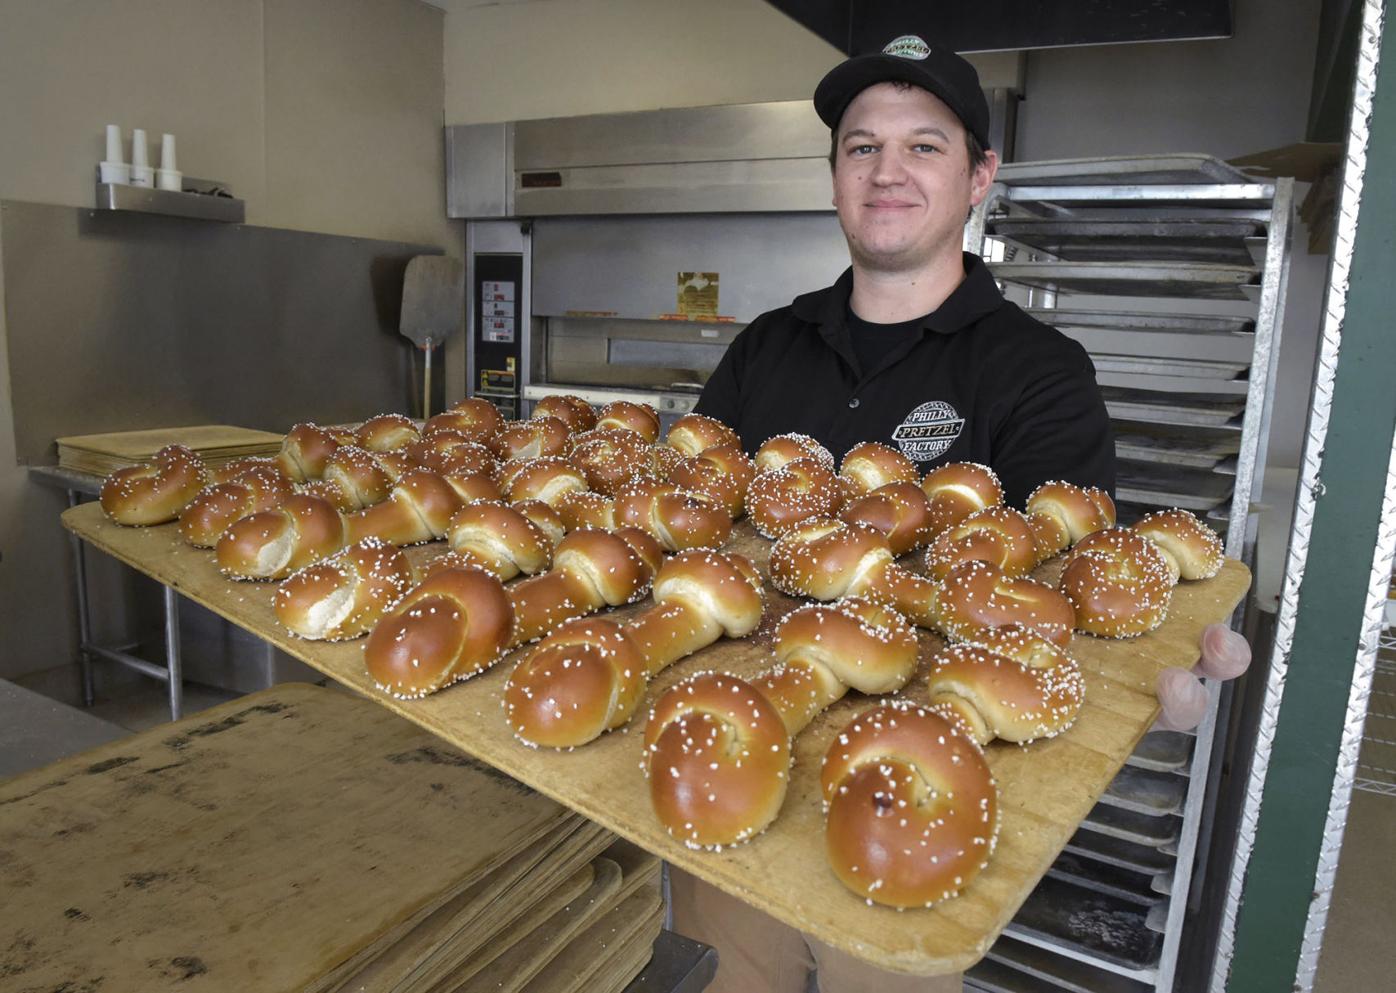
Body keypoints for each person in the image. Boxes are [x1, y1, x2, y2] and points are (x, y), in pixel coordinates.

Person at [681, 33, 1252, 993]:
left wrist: (1130, 684)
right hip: (733, 752)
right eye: (861, 146)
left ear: (981, 173)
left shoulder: (1038, 370)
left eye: (924, 146)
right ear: (834, 176)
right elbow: (685, 523)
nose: (887, 171)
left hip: (909, 805)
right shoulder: (766, 345)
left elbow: (1063, 602)